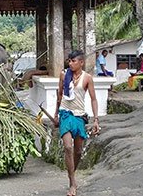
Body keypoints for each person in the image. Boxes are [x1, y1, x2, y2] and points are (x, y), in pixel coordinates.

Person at [54, 50, 100, 196]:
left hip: (79, 116)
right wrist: (56, 114)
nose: (71, 63)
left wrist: (96, 120)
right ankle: (72, 182)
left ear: (81, 62)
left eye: (74, 61)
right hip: (65, 114)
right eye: (69, 61)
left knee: (78, 151)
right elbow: (60, 94)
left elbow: (93, 99)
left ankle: (71, 171)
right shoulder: (64, 75)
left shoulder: (87, 78)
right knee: (68, 147)